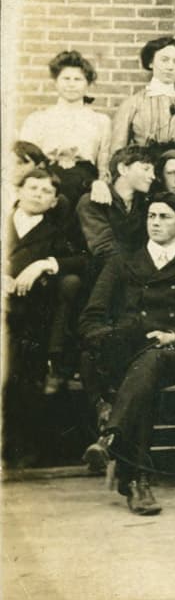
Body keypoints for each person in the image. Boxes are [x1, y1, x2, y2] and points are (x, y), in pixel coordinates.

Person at [79, 192, 175, 515]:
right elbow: (90, 318)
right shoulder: (123, 263)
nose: (155, 222)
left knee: (153, 359)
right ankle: (137, 481)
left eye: (164, 217)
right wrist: (112, 339)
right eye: (151, 216)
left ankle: (112, 438)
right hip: (125, 352)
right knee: (144, 369)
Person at [4, 168, 88, 461]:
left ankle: (20, 450)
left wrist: (44, 263)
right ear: (19, 190)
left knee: (25, 377)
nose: (38, 195)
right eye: (33, 188)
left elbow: (83, 260)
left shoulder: (56, 232)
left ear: (54, 202)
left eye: (46, 192)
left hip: (29, 317)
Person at [19, 50, 113, 209]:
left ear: (88, 84)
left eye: (78, 79)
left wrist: (100, 183)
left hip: (85, 186)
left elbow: (103, 165)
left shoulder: (100, 121)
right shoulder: (37, 119)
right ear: (55, 82)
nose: (71, 84)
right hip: (47, 185)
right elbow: (25, 162)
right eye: (66, 78)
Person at [110, 36, 175, 157]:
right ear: (151, 62)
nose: (170, 66)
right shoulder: (133, 103)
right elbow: (117, 150)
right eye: (164, 60)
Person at [77, 145, 154, 263]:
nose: (152, 176)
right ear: (123, 169)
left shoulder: (144, 203)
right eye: (146, 169)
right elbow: (104, 248)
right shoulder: (91, 201)